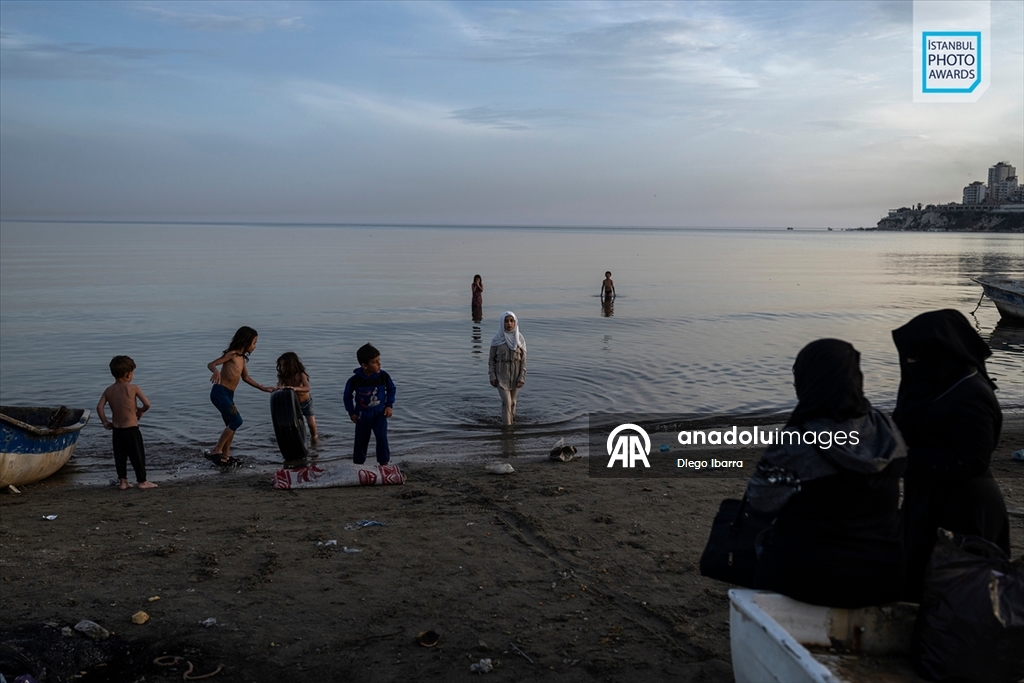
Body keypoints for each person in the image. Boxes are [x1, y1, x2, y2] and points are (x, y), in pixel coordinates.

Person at [744, 339, 907, 607]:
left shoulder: (797, 441)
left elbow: (759, 502)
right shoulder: (884, 426)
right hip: (884, 575)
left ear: (808, 381)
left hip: (809, 577)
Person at [892, 309, 1010, 601]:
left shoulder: (971, 394)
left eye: (916, 357)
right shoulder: (928, 385)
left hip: (963, 510)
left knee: (958, 596)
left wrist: (902, 457)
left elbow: (972, 460)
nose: (910, 364)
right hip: (926, 502)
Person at [205, 326, 273, 466]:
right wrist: (216, 371)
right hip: (219, 392)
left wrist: (263, 388)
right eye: (254, 343)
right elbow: (211, 364)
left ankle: (226, 455)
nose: (255, 346)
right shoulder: (232, 354)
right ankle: (216, 449)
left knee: (231, 425)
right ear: (245, 341)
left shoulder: (242, 359)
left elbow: (246, 378)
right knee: (237, 421)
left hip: (229, 395)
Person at [96, 355, 157, 490]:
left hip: (117, 430)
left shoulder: (109, 390)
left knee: (120, 457)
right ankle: (142, 481)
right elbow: (147, 404)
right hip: (131, 429)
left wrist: (105, 422)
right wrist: (140, 411)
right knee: (137, 456)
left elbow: (99, 407)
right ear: (128, 374)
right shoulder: (133, 388)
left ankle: (123, 481)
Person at [344, 343, 396, 465]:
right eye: (375, 362)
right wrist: (351, 412)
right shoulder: (354, 380)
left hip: (380, 413)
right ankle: (358, 464)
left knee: (382, 438)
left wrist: (389, 405)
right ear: (364, 365)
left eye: (379, 360)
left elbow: (391, 389)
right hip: (362, 415)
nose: (379, 364)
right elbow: (347, 396)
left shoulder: (383, 376)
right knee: (361, 440)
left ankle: (384, 463)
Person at [488, 311, 527, 427]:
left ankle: (512, 422)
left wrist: (522, 377)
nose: (509, 324)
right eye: (506, 321)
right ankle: (507, 428)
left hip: (515, 377)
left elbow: (524, 361)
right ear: (501, 323)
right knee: (507, 402)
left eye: (511, 321)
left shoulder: (519, 339)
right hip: (501, 376)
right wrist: (492, 376)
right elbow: (491, 360)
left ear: (515, 323)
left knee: (513, 402)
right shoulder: (496, 340)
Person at [276, 351, 317, 441]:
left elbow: (307, 388)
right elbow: (279, 386)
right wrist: (277, 389)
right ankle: (299, 441)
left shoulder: (301, 374)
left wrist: (294, 388)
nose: (282, 368)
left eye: (284, 366)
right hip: (294, 404)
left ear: (291, 364)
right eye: (281, 366)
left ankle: (314, 438)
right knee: (295, 425)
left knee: (311, 425)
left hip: (306, 403)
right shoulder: (283, 376)